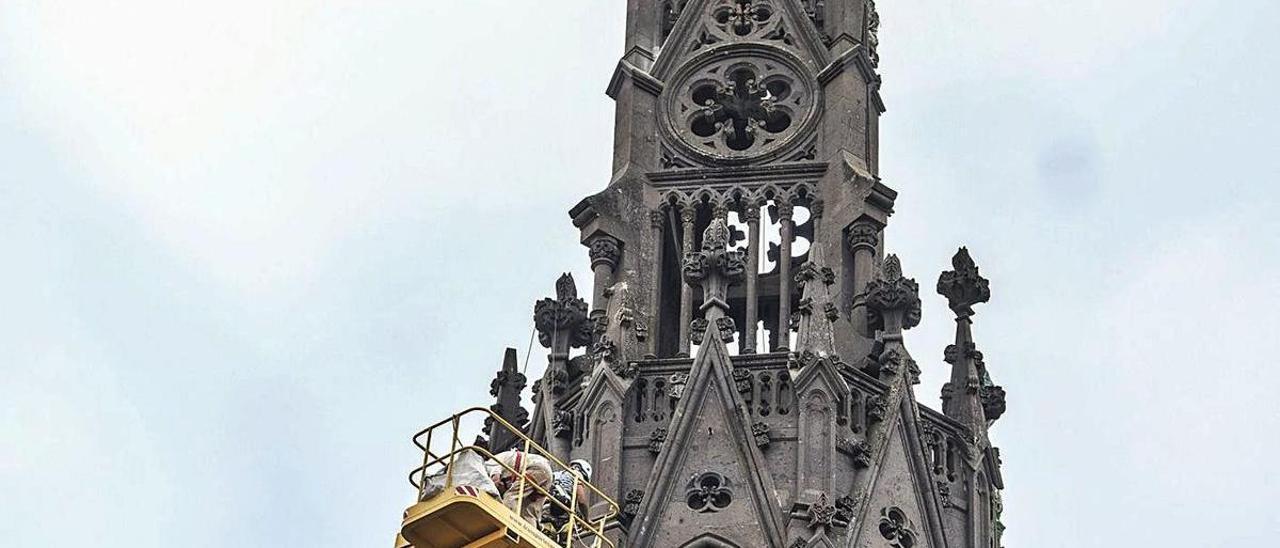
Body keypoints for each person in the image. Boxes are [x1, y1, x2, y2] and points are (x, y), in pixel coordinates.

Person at [484, 449, 554, 525]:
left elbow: (495, 479)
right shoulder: (504, 458)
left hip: (534, 467)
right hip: (546, 473)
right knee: (528, 513)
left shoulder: (489, 463)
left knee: (510, 497)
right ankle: (530, 534)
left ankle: (509, 526)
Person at [546, 459, 593, 536]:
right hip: (562, 503)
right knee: (574, 519)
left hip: (547, 504)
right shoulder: (577, 474)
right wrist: (586, 519)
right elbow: (582, 501)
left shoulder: (557, 474)